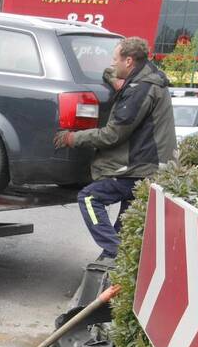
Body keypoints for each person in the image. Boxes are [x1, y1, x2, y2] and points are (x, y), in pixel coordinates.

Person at [54, 37, 176, 260]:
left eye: (115, 60)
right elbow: (109, 72)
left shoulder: (141, 90)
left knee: (90, 199)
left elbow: (113, 134)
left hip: (141, 169)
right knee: (123, 228)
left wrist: (73, 138)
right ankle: (116, 263)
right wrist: (117, 81)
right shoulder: (144, 79)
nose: (113, 64)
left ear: (129, 61)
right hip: (150, 168)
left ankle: (117, 254)